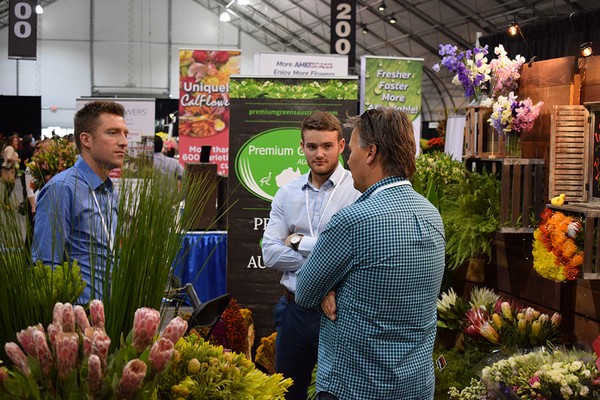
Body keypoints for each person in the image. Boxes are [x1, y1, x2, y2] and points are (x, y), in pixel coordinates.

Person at [295, 107, 446, 400]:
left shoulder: (353, 220)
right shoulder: (431, 214)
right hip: (415, 386)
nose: (347, 159)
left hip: (356, 387)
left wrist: (330, 285)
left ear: (371, 153)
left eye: (351, 149)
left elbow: (304, 292)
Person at [261, 111, 360, 400]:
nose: (319, 154)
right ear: (302, 147)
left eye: (327, 146)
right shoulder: (287, 193)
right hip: (294, 311)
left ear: (341, 146)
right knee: (288, 393)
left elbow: (353, 253)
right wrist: (322, 270)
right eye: (312, 146)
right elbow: (269, 252)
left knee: (337, 395)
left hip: (339, 314)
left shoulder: (357, 191)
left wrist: (298, 241)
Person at [33, 101, 128, 304]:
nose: (123, 142)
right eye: (112, 133)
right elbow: (45, 265)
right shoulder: (62, 188)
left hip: (111, 315)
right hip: (79, 319)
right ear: (86, 140)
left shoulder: (109, 190)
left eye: (125, 133)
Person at [2, 134, 21, 208]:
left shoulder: (9, 148)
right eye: (15, 141)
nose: (17, 142)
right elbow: (9, 158)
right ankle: (6, 203)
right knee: (10, 186)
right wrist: (18, 160)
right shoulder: (10, 148)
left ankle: (6, 202)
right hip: (9, 170)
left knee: (9, 187)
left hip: (11, 169)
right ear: (11, 142)